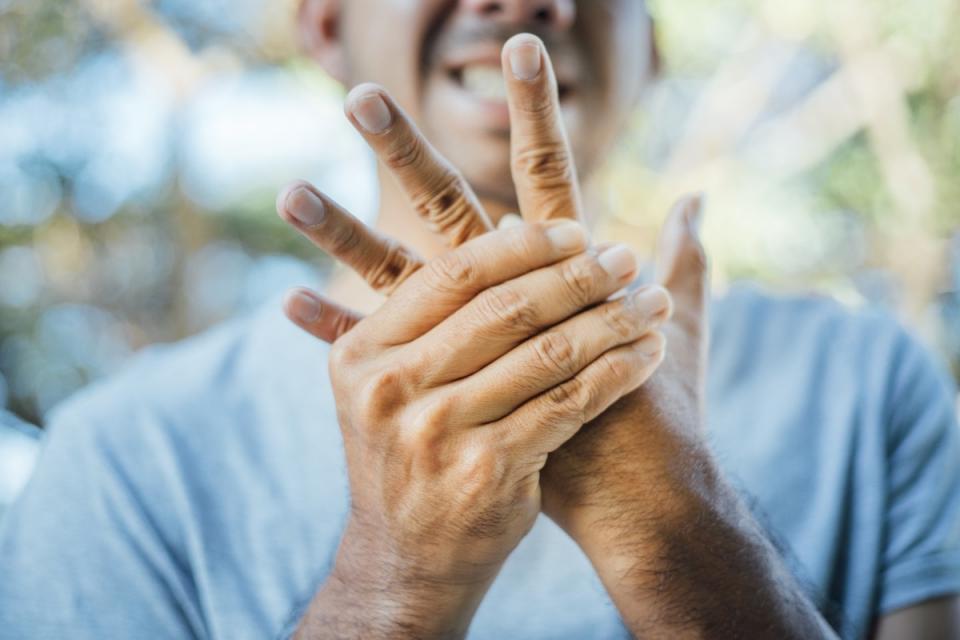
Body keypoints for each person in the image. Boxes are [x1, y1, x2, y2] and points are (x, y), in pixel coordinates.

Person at [1, 1, 958, 638]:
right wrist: (396, 579)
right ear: (326, 25)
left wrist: (672, 520)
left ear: (652, 44)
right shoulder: (120, 458)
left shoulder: (870, 382)